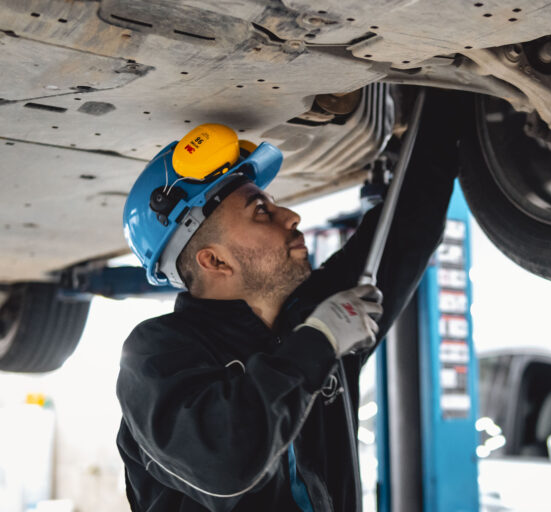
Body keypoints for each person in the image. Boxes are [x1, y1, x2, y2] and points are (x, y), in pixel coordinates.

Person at [116, 90, 463, 511]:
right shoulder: (158, 355)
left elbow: (411, 223)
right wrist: (320, 341)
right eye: (259, 210)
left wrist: (448, 94)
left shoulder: (316, 316)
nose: (291, 217)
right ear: (214, 259)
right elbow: (225, 466)